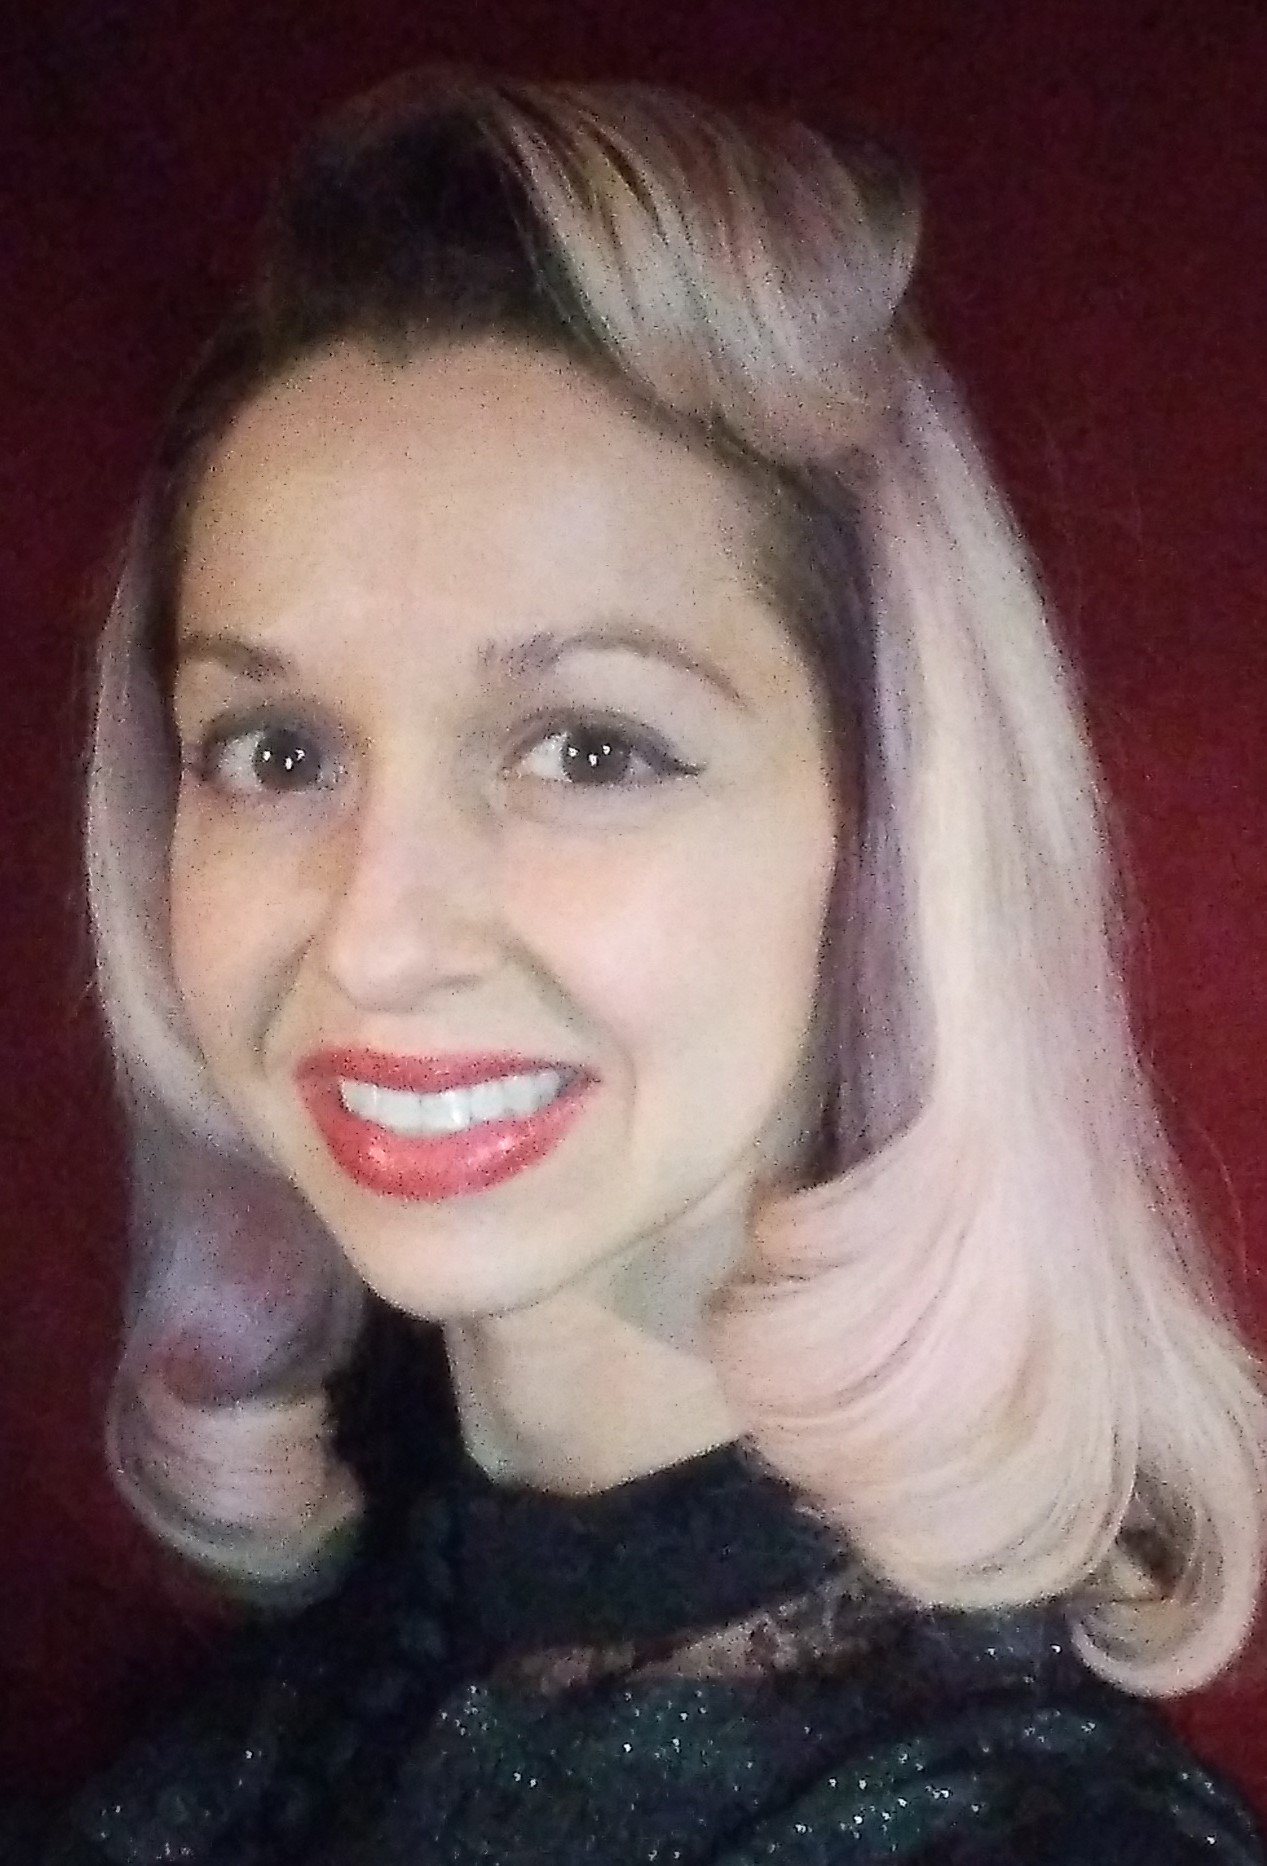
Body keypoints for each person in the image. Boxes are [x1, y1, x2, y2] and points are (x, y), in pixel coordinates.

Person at [7, 66, 1266, 1864]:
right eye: (277, 752)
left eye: (589, 748)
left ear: (889, 843)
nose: (376, 933)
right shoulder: (267, 1717)